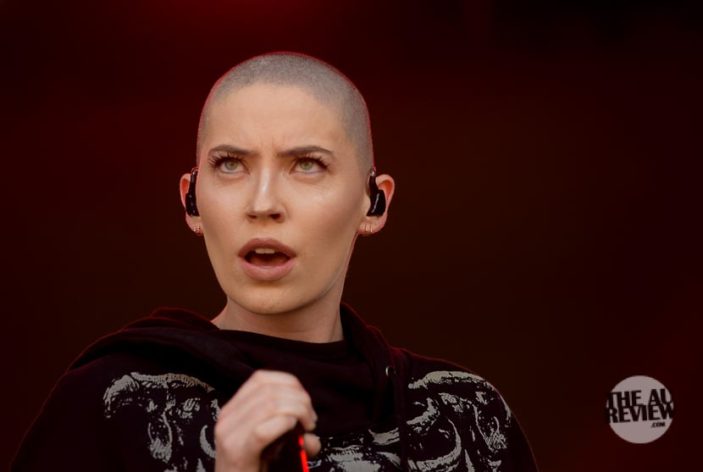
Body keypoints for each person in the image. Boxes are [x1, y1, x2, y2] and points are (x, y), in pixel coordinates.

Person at [13, 52, 538, 471]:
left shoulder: (468, 417)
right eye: (230, 165)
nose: (263, 203)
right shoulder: (110, 405)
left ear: (374, 203)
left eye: (307, 164)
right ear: (191, 201)